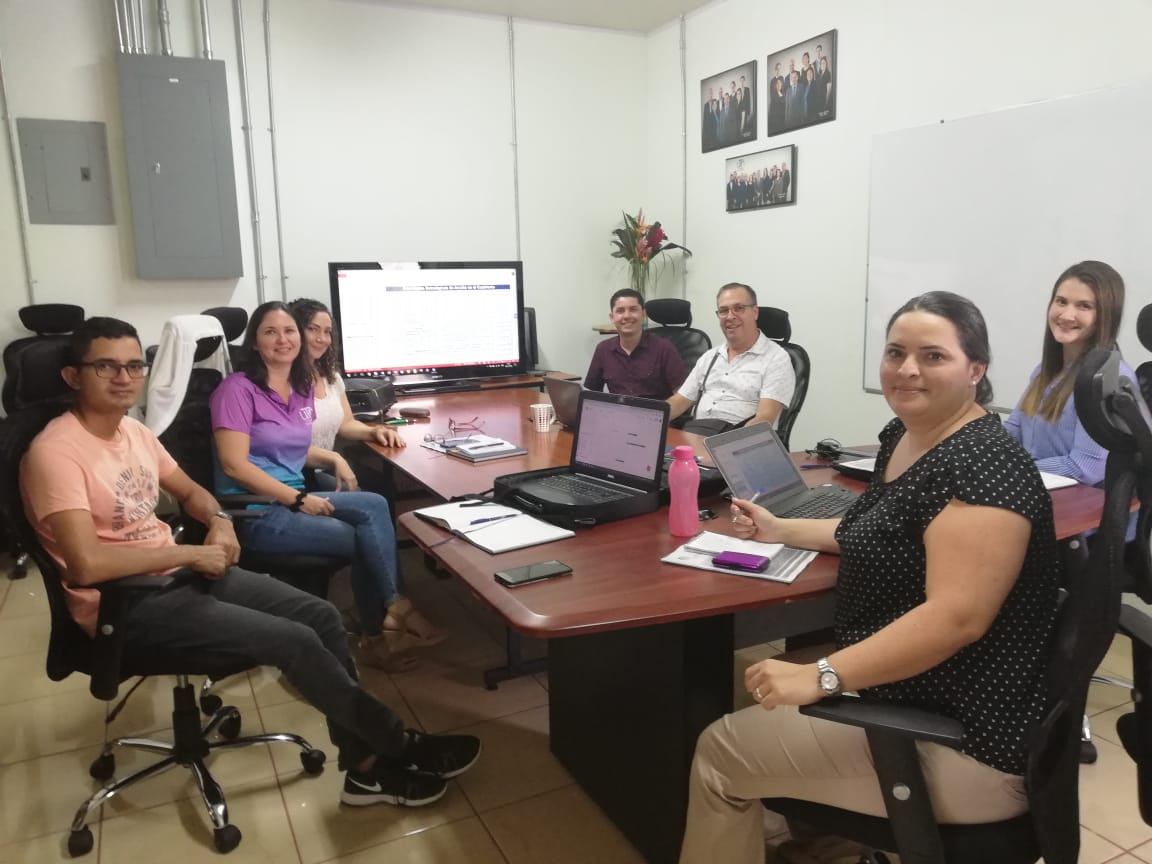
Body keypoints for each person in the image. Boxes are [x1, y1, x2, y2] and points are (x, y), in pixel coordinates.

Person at [19, 316, 481, 810]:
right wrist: (191, 552)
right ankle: (396, 746)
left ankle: (364, 768)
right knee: (296, 640)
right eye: (106, 366)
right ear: (73, 376)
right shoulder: (56, 453)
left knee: (321, 615)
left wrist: (218, 521)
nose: (124, 377)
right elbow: (86, 566)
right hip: (128, 602)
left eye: (134, 366)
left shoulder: (132, 432)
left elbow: (192, 492)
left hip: (181, 573)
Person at [679, 292, 1059, 863]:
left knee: (719, 751)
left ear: (976, 370)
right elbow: (875, 530)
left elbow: (956, 618)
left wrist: (823, 676)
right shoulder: (905, 436)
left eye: (933, 356)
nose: (907, 369)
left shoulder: (982, 465)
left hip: (964, 740)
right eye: (895, 352)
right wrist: (779, 528)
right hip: (924, 689)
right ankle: (828, 839)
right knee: (769, 691)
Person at [209, 301, 442, 674]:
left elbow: (288, 448)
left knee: (375, 504)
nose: (283, 340)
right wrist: (299, 499)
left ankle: (394, 609)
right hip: (258, 511)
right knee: (365, 539)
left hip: (292, 497)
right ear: (254, 342)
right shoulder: (236, 389)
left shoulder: (299, 387)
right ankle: (380, 632)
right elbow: (234, 465)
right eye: (270, 332)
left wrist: (333, 458)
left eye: (289, 331)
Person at [1003, 260, 1133, 487]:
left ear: (1106, 316)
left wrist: (1013, 468)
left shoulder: (1108, 379)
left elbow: (1085, 467)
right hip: (1034, 489)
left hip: (1077, 504)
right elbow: (1013, 431)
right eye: (1061, 301)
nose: (1066, 315)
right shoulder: (1045, 371)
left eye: (1084, 306)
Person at [287, 297, 407, 486]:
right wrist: (334, 458)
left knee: (383, 486)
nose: (322, 339)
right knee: (373, 495)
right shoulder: (282, 380)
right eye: (313, 329)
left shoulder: (330, 376)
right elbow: (286, 446)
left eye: (327, 332)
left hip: (323, 467)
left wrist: (375, 431)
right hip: (297, 473)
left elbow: (346, 423)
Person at [666, 283, 795, 434]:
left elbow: (765, 418)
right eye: (723, 311)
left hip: (740, 440)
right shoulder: (710, 357)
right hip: (696, 435)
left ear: (755, 312)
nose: (730, 316)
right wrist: (651, 417)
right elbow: (680, 401)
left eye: (739, 308)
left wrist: (728, 443)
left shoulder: (776, 358)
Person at [585, 289, 687, 400]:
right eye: (620, 311)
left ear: (643, 314)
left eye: (633, 309)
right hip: (618, 410)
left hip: (655, 410)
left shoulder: (664, 349)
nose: (627, 316)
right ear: (612, 317)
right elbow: (591, 394)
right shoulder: (603, 349)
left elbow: (682, 397)